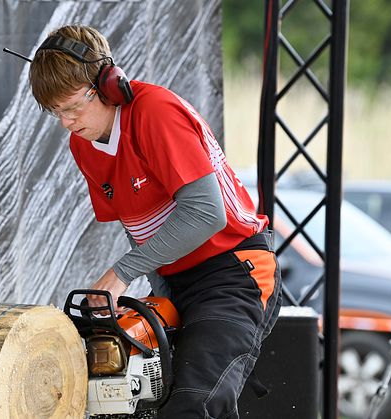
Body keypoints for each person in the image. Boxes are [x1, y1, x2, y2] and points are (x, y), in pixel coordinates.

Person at [28, 24, 281, 418]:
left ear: (108, 83)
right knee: (132, 400)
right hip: (176, 282)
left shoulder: (155, 112)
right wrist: (159, 299)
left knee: (195, 403)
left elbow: (205, 213)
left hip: (234, 272)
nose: (67, 122)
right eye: (56, 113)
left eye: (74, 107)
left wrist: (122, 274)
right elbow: (139, 227)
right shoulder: (84, 144)